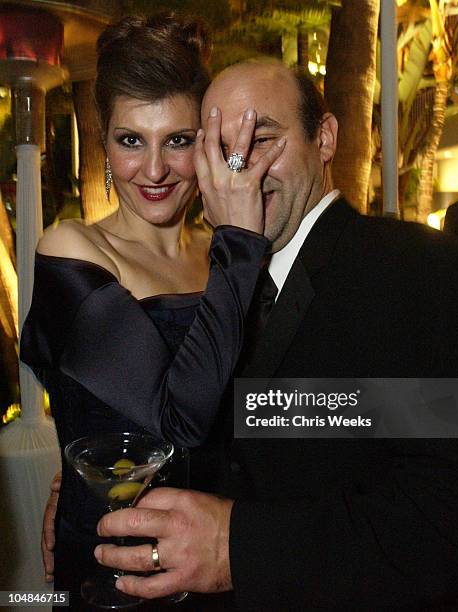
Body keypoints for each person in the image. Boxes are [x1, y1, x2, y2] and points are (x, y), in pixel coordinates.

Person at [93, 60, 458, 611]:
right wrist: (109, 490)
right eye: (219, 150)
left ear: (323, 139)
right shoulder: (222, 292)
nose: (239, 171)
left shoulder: (415, 271)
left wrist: (238, 548)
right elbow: (258, 430)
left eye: (262, 139)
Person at [20, 15, 285, 607]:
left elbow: (263, 411)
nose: (156, 170)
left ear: (208, 143)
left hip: (227, 561)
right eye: (131, 139)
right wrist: (240, 243)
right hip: (121, 574)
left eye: (179, 140)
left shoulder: (232, 258)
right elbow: (177, 424)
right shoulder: (74, 249)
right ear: (103, 140)